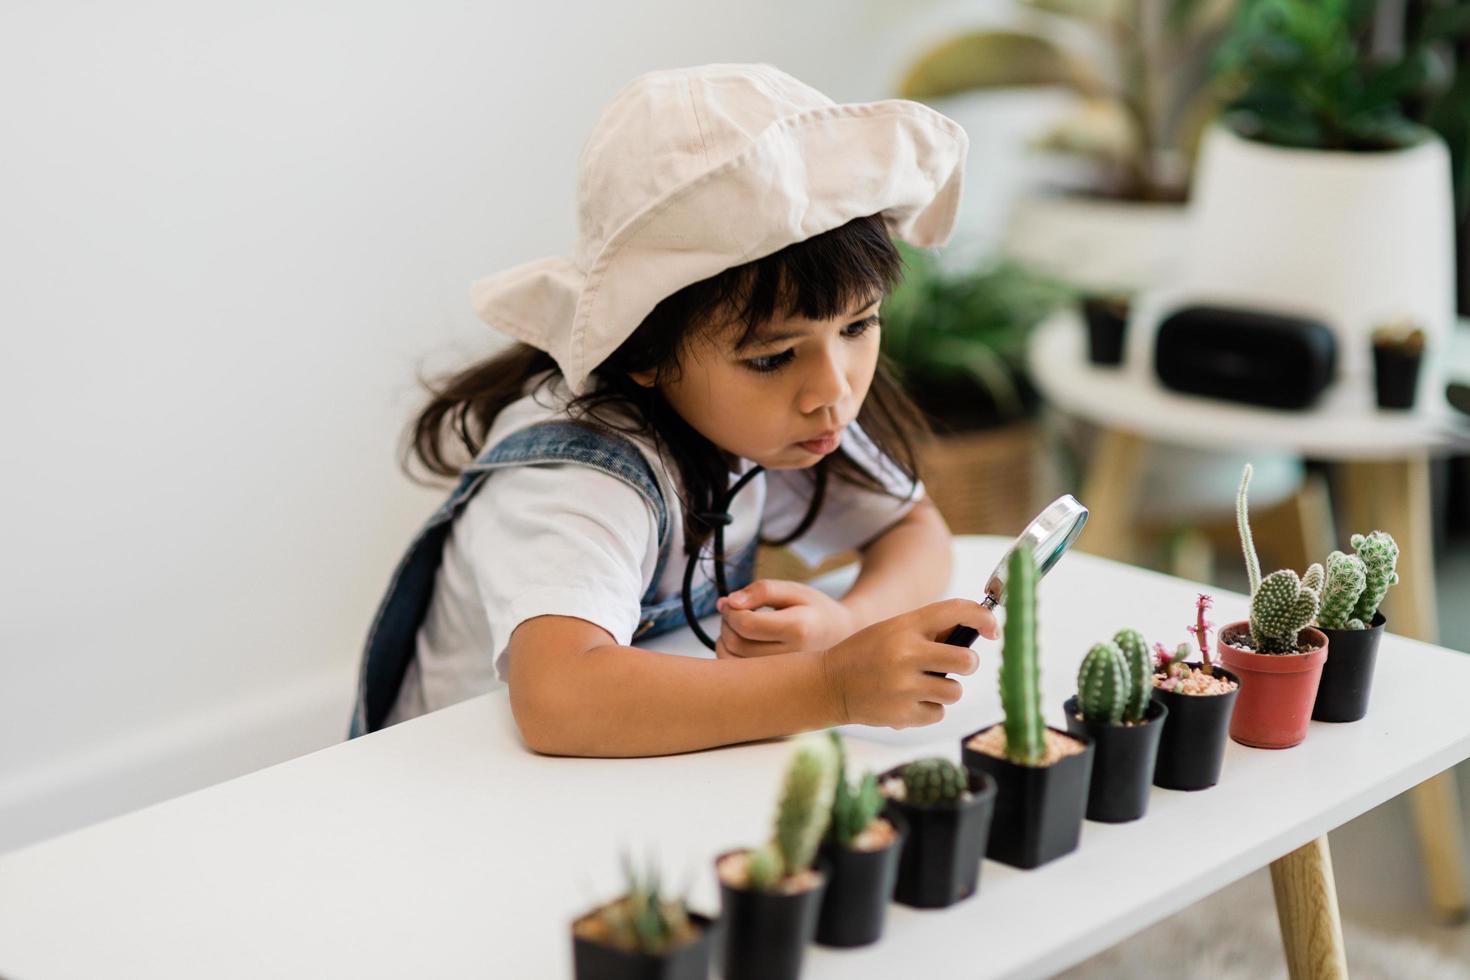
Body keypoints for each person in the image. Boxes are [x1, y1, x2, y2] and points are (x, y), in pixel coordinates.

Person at [348, 63, 999, 755]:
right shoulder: (577, 476)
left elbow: (914, 527)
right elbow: (560, 697)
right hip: (452, 790)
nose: (832, 388)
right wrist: (831, 684)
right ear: (645, 351)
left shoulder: (780, 418)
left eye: (859, 326)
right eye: (773, 357)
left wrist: (851, 623)